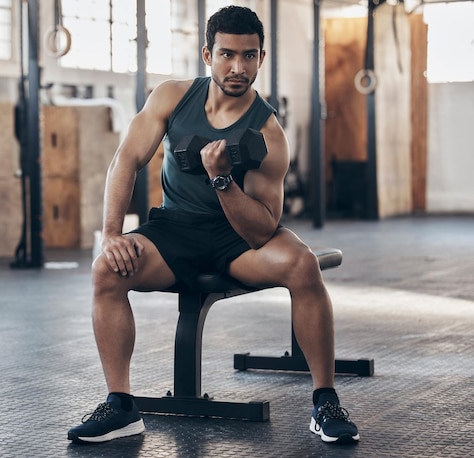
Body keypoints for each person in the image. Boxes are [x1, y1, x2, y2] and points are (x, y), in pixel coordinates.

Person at [67, 5, 359, 445]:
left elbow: (261, 230)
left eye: (248, 56)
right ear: (207, 54)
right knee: (105, 270)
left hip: (237, 238)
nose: (237, 67)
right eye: (227, 54)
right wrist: (111, 233)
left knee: (301, 265)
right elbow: (125, 159)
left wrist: (222, 180)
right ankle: (121, 406)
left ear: (261, 58)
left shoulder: (268, 134)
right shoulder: (171, 97)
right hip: (173, 229)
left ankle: (325, 401)